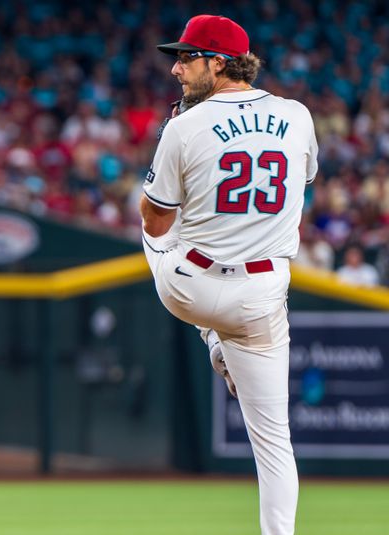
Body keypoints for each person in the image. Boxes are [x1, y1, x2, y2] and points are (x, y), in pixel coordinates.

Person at [139, 15, 318, 535]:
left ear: (219, 62)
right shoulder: (299, 115)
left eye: (186, 57)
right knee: (274, 442)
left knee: (151, 227)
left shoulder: (183, 126)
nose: (175, 68)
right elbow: (300, 179)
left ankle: (214, 338)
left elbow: (156, 218)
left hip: (187, 285)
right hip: (261, 296)